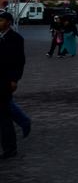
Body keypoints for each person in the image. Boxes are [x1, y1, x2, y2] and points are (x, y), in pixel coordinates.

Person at [0, 11, 26, 159]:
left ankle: (10, 148)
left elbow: (19, 61)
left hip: (4, 82)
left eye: (1, 20)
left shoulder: (16, 39)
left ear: (9, 22)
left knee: (4, 116)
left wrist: (14, 79)